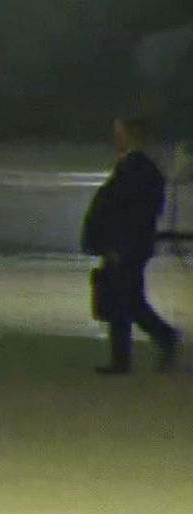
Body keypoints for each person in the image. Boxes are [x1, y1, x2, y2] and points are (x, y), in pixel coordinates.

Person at [81, 118, 180, 375]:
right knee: (131, 302)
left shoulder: (136, 170)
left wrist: (117, 246)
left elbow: (131, 213)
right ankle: (163, 338)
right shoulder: (140, 169)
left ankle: (122, 360)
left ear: (130, 136)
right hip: (130, 246)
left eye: (119, 133)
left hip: (125, 248)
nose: (116, 138)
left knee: (120, 302)